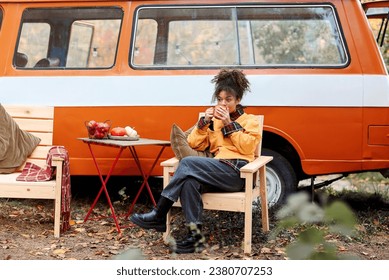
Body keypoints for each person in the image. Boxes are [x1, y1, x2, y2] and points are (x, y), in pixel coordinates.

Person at [129, 68, 261, 254]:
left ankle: (159, 213)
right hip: (216, 171)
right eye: (220, 99)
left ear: (237, 100)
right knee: (189, 182)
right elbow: (193, 143)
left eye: (228, 99)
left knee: (188, 163)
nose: (223, 103)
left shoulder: (250, 121)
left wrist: (228, 124)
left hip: (237, 173)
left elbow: (247, 148)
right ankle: (195, 238)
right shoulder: (213, 121)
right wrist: (204, 122)